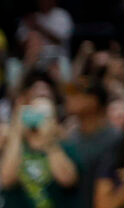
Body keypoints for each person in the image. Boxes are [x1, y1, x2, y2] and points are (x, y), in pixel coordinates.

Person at [1, 79, 81, 208]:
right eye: (32, 113)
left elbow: (67, 179)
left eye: (43, 115)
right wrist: (16, 133)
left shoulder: (66, 146)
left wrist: (49, 141)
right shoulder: (14, 147)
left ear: (54, 119)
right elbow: (6, 179)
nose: (36, 119)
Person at [63, 77, 121, 208]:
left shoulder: (115, 139)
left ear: (94, 101)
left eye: (76, 94)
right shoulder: (69, 138)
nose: (69, 98)